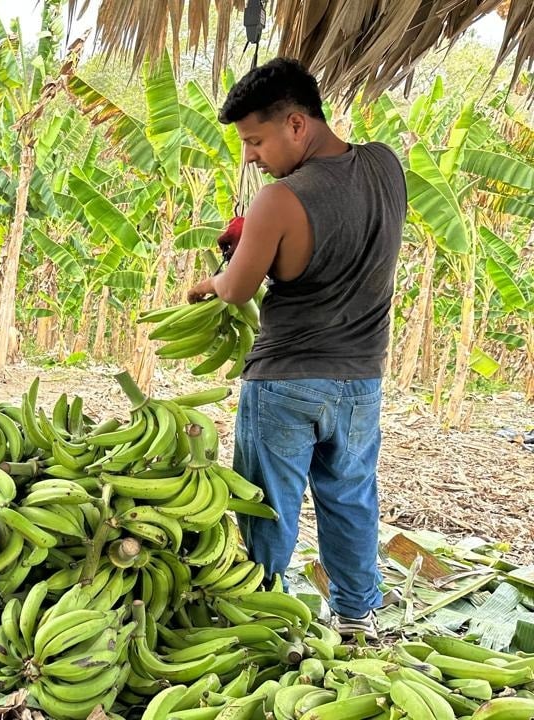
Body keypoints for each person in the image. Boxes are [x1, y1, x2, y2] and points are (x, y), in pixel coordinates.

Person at [186, 58, 406, 640]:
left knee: (268, 505)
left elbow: (237, 290)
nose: (250, 157)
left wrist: (209, 281)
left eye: (256, 141)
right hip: (361, 379)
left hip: (286, 381)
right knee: (351, 496)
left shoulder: (279, 200)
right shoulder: (386, 165)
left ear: (297, 125)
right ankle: (357, 616)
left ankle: (260, 616)